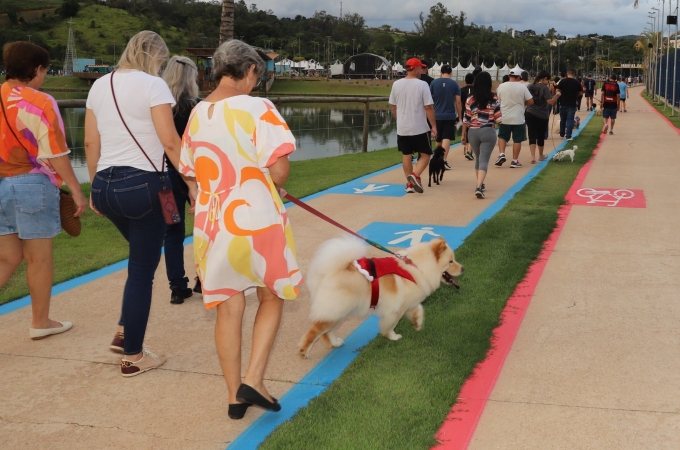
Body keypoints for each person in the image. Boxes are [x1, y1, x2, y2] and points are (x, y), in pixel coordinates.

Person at [178, 39, 302, 419]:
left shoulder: (198, 113)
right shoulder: (259, 107)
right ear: (249, 70)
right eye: (256, 77)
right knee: (272, 295)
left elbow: (190, 171)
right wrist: (266, 178)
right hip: (257, 216)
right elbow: (279, 171)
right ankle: (254, 379)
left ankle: (235, 396)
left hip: (214, 223)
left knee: (229, 309)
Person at [84, 31, 191, 376]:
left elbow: (90, 143)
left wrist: (94, 186)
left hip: (106, 184)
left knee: (140, 259)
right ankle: (133, 355)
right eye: (161, 60)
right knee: (142, 271)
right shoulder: (153, 85)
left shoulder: (99, 85)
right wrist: (192, 182)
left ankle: (123, 330)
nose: (161, 66)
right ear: (154, 56)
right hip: (144, 185)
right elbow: (170, 142)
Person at [0, 41, 88, 340]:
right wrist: (76, 190)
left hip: (1, 185)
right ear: (37, 69)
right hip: (30, 184)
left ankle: (41, 321)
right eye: (45, 71)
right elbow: (55, 152)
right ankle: (40, 322)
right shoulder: (40, 101)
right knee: (38, 258)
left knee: (7, 258)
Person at [161, 56, 202, 304]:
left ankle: (177, 286)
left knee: (172, 231)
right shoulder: (199, 108)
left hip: (166, 178)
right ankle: (203, 279)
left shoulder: (159, 109)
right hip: (198, 177)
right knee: (204, 228)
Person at [389, 57, 437, 193]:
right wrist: (434, 126)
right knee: (426, 154)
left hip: (402, 127)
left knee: (407, 155)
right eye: (421, 68)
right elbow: (428, 107)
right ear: (416, 69)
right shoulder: (422, 85)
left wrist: (399, 121)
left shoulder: (396, 84)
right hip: (419, 127)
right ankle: (415, 176)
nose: (422, 70)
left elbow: (394, 107)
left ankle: (409, 184)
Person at [461, 71, 501, 199]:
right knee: (484, 160)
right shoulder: (494, 98)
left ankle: (480, 183)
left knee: (478, 158)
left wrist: (463, 134)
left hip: (473, 132)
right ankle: (479, 186)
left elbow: (466, 118)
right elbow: (498, 118)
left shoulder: (470, 99)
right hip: (488, 131)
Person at [494, 67, 533, 168]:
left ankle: (501, 154)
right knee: (517, 140)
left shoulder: (501, 86)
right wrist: (522, 103)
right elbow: (530, 101)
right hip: (518, 118)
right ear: (519, 77)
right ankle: (514, 161)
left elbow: (498, 99)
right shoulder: (522, 87)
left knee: (502, 136)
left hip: (504, 117)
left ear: (509, 76)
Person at [429, 64, 462, 170]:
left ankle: (437, 159)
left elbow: (429, 100)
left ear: (441, 72)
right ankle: (442, 160)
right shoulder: (454, 84)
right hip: (449, 115)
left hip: (436, 115)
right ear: (451, 73)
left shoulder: (433, 83)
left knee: (438, 139)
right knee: (446, 137)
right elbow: (458, 101)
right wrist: (459, 116)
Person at [525, 71, 561, 163]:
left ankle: (532, 157)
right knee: (540, 135)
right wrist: (557, 95)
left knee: (531, 134)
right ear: (544, 78)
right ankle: (540, 155)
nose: (548, 82)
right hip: (542, 114)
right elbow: (550, 101)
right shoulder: (544, 88)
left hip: (530, 112)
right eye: (548, 80)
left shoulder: (529, 86)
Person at [555, 69, 582, 141]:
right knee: (570, 120)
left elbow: (557, 90)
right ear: (574, 75)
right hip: (572, 103)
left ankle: (562, 134)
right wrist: (576, 96)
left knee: (563, 119)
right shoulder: (577, 82)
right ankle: (568, 136)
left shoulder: (562, 81)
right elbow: (580, 92)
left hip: (563, 103)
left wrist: (560, 94)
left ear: (567, 74)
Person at [460, 72, 476, 161]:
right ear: (473, 80)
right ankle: (469, 150)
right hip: (473, 112)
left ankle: (465, 148)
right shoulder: (476, 90)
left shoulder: (461, 90)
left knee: (465, 129)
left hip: (464, 111)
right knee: (472, 129)